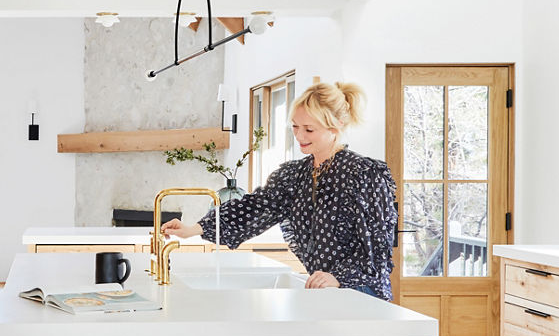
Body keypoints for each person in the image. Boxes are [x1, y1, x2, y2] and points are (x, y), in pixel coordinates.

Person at [161, 80, 398, 299]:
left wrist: (339, 277)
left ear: (336, 126)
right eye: (295, 127)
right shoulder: (294, 175)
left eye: (309, 129)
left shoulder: (364, 174)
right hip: (324, 292)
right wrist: (194, 228)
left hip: (362, 293)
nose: (299, 136)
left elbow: (378, 245)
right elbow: (253, 207)